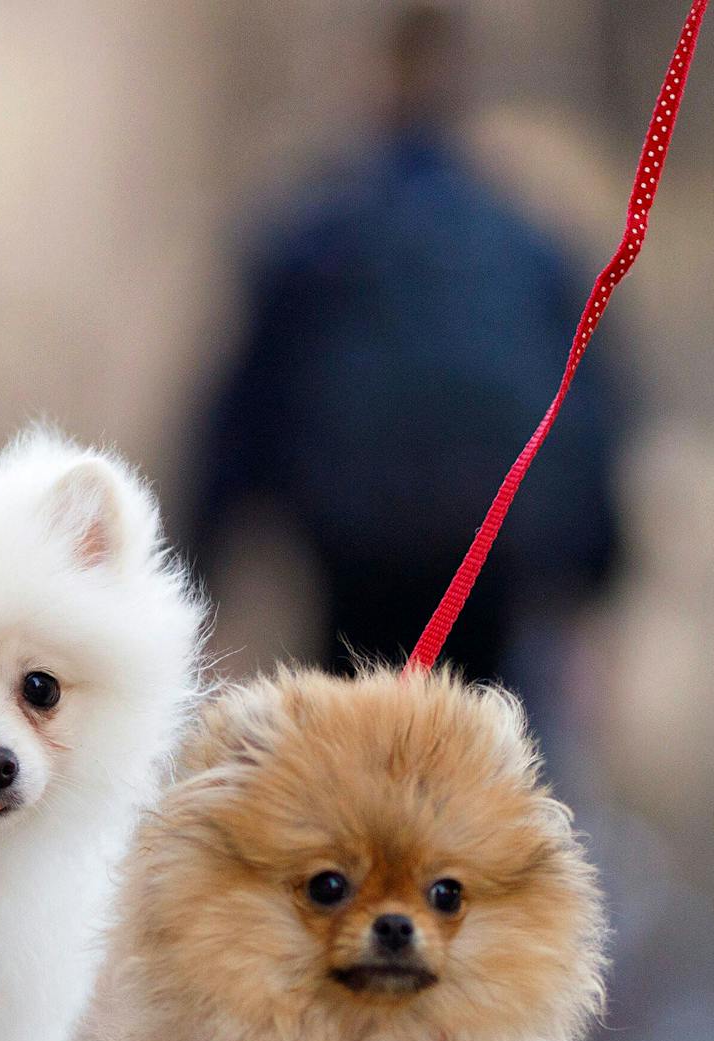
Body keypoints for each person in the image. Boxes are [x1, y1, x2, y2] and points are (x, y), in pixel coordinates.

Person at [182, 1, 626, 692]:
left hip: (352, 563)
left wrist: (197, 573)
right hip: (487, 560)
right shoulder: (525, 242)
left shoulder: (316, 235)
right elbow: (588, 406)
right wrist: (595, 570)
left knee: (356, 722)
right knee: (478, 725)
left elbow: (242, 410)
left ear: (377, 82)